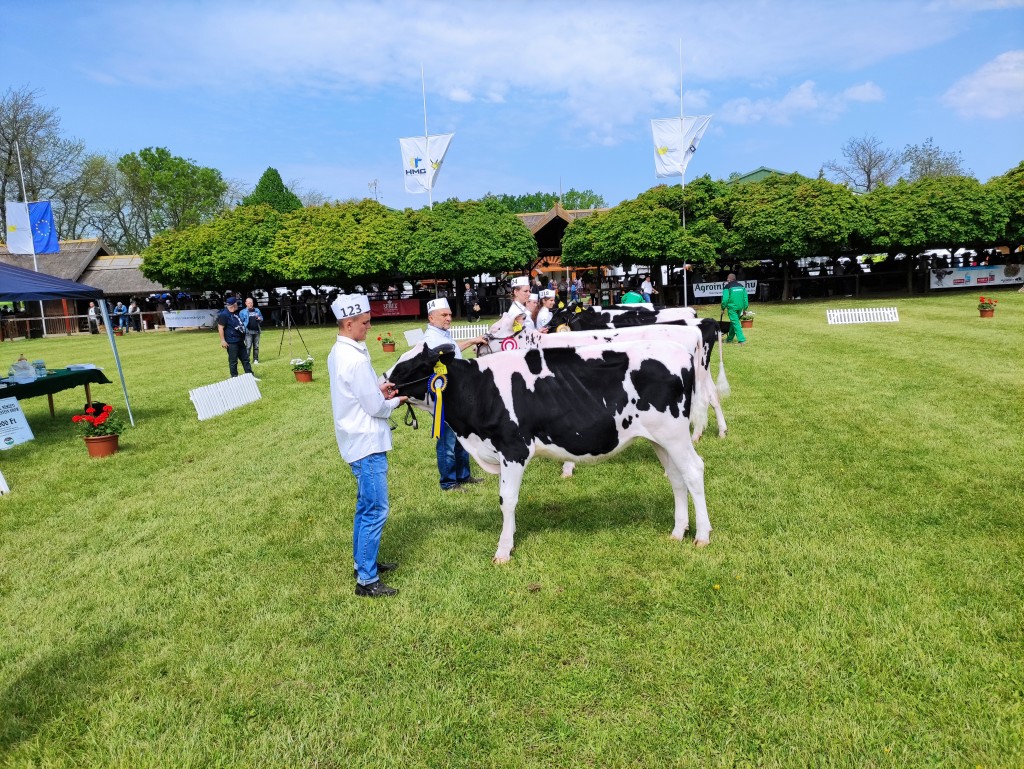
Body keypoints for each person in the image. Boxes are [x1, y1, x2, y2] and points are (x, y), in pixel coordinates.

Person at [328, 293, 406, 598]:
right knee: (376, 509)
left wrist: (377, 388)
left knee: (365, 507)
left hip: (355, 439)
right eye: (365, 322)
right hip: (367, 442)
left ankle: (363, 563)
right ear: (348, 324)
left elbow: (358, 392)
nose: (369, 327)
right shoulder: (355, 358)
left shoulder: (339, 351)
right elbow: (375, 407)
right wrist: (395, 401)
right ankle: (366, 580)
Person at [423, 298, 486, 491]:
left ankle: (463, 475)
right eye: (444, 315)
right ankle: (449, 482)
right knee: (447, 441)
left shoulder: (442, 333)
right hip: (444, 396)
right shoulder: (431, 339)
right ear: (431, 318)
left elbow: (453, 349)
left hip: (456, 394)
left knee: (460, 438)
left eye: (449, 314)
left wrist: (471, 341)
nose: (449, 318)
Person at [217, 296, 253, 377]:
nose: (237, 305)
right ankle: (234, 377)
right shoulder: (224, 315)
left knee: (245, 359)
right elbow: (220, 327)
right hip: (231, 342)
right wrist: (223, 340)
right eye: (236, 303)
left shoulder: (235, 313)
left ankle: (250, 375)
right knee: (233, 361)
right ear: (233, 305)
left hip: (240, 340)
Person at [721, 273, 749, 345]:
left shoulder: (727, 287)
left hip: (732, 308)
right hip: (740, 307)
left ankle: (742, 340)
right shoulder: (741, 286)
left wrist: (723, 308)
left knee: (735, 323)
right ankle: (729, 339)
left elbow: (725, 299)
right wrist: (745, 309)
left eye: (727, 279)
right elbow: (745, 298)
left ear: (728, 279)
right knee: (733, 323)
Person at [240, 297, 264, 364]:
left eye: (251, 303)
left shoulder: (257, 310)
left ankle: (255, 359)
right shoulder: (242, 312)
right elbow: (240, 322)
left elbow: (262, 318)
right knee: (248, 346)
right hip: (248, 331)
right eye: (249, 303)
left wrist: (259, 318)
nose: (250, 304)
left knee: (256, 346)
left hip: (257, 331)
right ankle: (246, 360)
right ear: (246, 303)